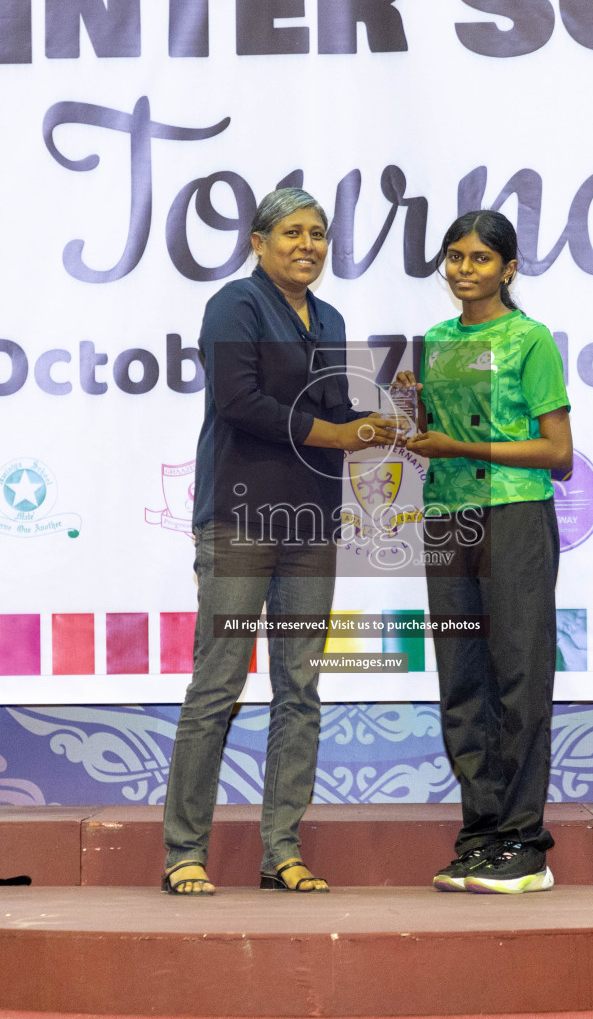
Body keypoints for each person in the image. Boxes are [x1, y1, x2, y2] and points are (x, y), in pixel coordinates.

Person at [162, 188, 398, 896]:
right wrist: (337, 434)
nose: (308, 245)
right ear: (257, 243)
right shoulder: (235, 303)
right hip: (237, 522)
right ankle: (183, 852)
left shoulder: (328, 316)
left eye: (319, 234)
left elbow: (335, 409)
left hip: (310, 528)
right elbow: (241, 403)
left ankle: (283, 853)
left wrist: (385, 421)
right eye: (292, 232)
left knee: (300, 688)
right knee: (219, 684)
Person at [398, 209, 573, 894]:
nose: (463, 270)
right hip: (446, 520)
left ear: (508, 268)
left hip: (515, 517)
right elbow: (435, 439)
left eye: (478, 258)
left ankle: (525, 846)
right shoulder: (436, 342)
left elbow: (558, 454)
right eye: (454, 257)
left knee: (517, 679)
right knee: (463, 683)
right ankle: (480, 836)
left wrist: (458, 444)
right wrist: (408, 413)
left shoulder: (530, 341)